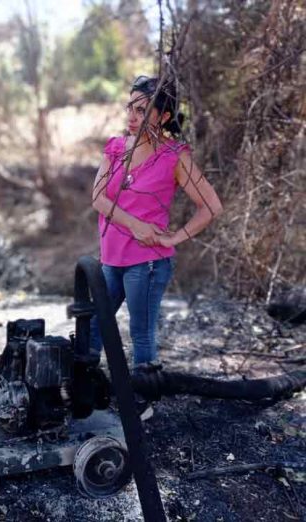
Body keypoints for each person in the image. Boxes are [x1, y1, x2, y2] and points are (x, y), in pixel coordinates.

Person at [90, 75, 223, 418]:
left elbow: (211, 206)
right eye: (130, 107)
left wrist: (175, 237)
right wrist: (135, 224)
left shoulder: (174, 156)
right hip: (111, 258)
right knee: (94, 325)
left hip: (147, 263)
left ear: (163, 116)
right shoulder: (117, 147)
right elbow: (98, 199)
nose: (132, 116)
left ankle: (142, 402)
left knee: (141, 332)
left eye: (142, 109)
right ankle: (84, 387)